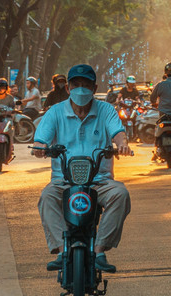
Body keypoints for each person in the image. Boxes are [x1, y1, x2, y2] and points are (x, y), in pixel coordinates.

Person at [32, 64, 133, 273]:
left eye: (85, 85)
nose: (80, 90)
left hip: (100, 180)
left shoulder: (106, 110)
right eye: (75, 85)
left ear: (94, 88)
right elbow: (41, 138)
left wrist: (122, 144)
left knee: (121, 194)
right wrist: (41, 148)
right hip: (63, 180)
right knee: (47, 197)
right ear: (68, 88)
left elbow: (117, 132)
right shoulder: (55, 112)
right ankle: (62, 250)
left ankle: (99, 251)